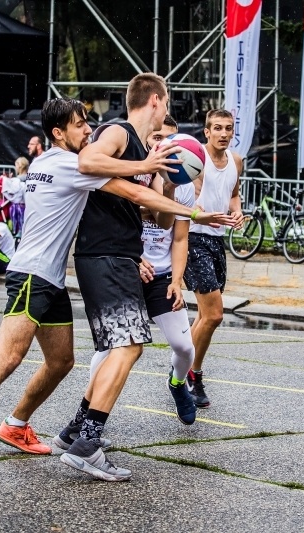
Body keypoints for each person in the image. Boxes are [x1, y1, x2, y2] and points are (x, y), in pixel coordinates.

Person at [0, 96, 227, 475]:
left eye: (87, 124)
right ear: (58, 132)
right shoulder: (71, 165)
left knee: (62, 361)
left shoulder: (43, 162)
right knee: (8, 357)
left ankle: (16, 425)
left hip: (51, 278)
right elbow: (133, 192)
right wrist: (190, 206)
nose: (88, 131)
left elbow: (137, 202)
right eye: (80, 125)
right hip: (31, 275)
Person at [56, 74, 235, 482]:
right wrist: (146, 165)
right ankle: (88, 442)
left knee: (125, 346)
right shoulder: (117, 132)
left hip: (121, 256)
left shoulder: (141, 152)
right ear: (155, 100)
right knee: (130, 346)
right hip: (104, 255)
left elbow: (152, 206)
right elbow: (88, 161)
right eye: (167, 101)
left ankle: (76, 433)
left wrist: (181, 197)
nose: (168, 109)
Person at [76, 114, 198, 428]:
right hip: (125, 266)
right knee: (113, 348)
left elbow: (173, 230)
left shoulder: (177, 183)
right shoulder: (131, 167)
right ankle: (87, 417)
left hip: (160, 274)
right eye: (158, 139)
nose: (163, 146)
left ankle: (176, 382)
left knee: (185, 347)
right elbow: (127, 196)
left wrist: (178, 280)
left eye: (170, 141)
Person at [182, 109, 245, 408]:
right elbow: (189, 200)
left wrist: (237, 210)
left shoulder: (235, 160)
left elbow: (234, 193)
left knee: (205, 317)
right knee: (215, 314)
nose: (223, 133)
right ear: (206, 132)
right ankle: (191, 375)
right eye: (217, 128)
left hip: (217, 241)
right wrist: (202, 213)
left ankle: (179, 370)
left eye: (228, 129)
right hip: (194, 238)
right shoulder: (197, 160)